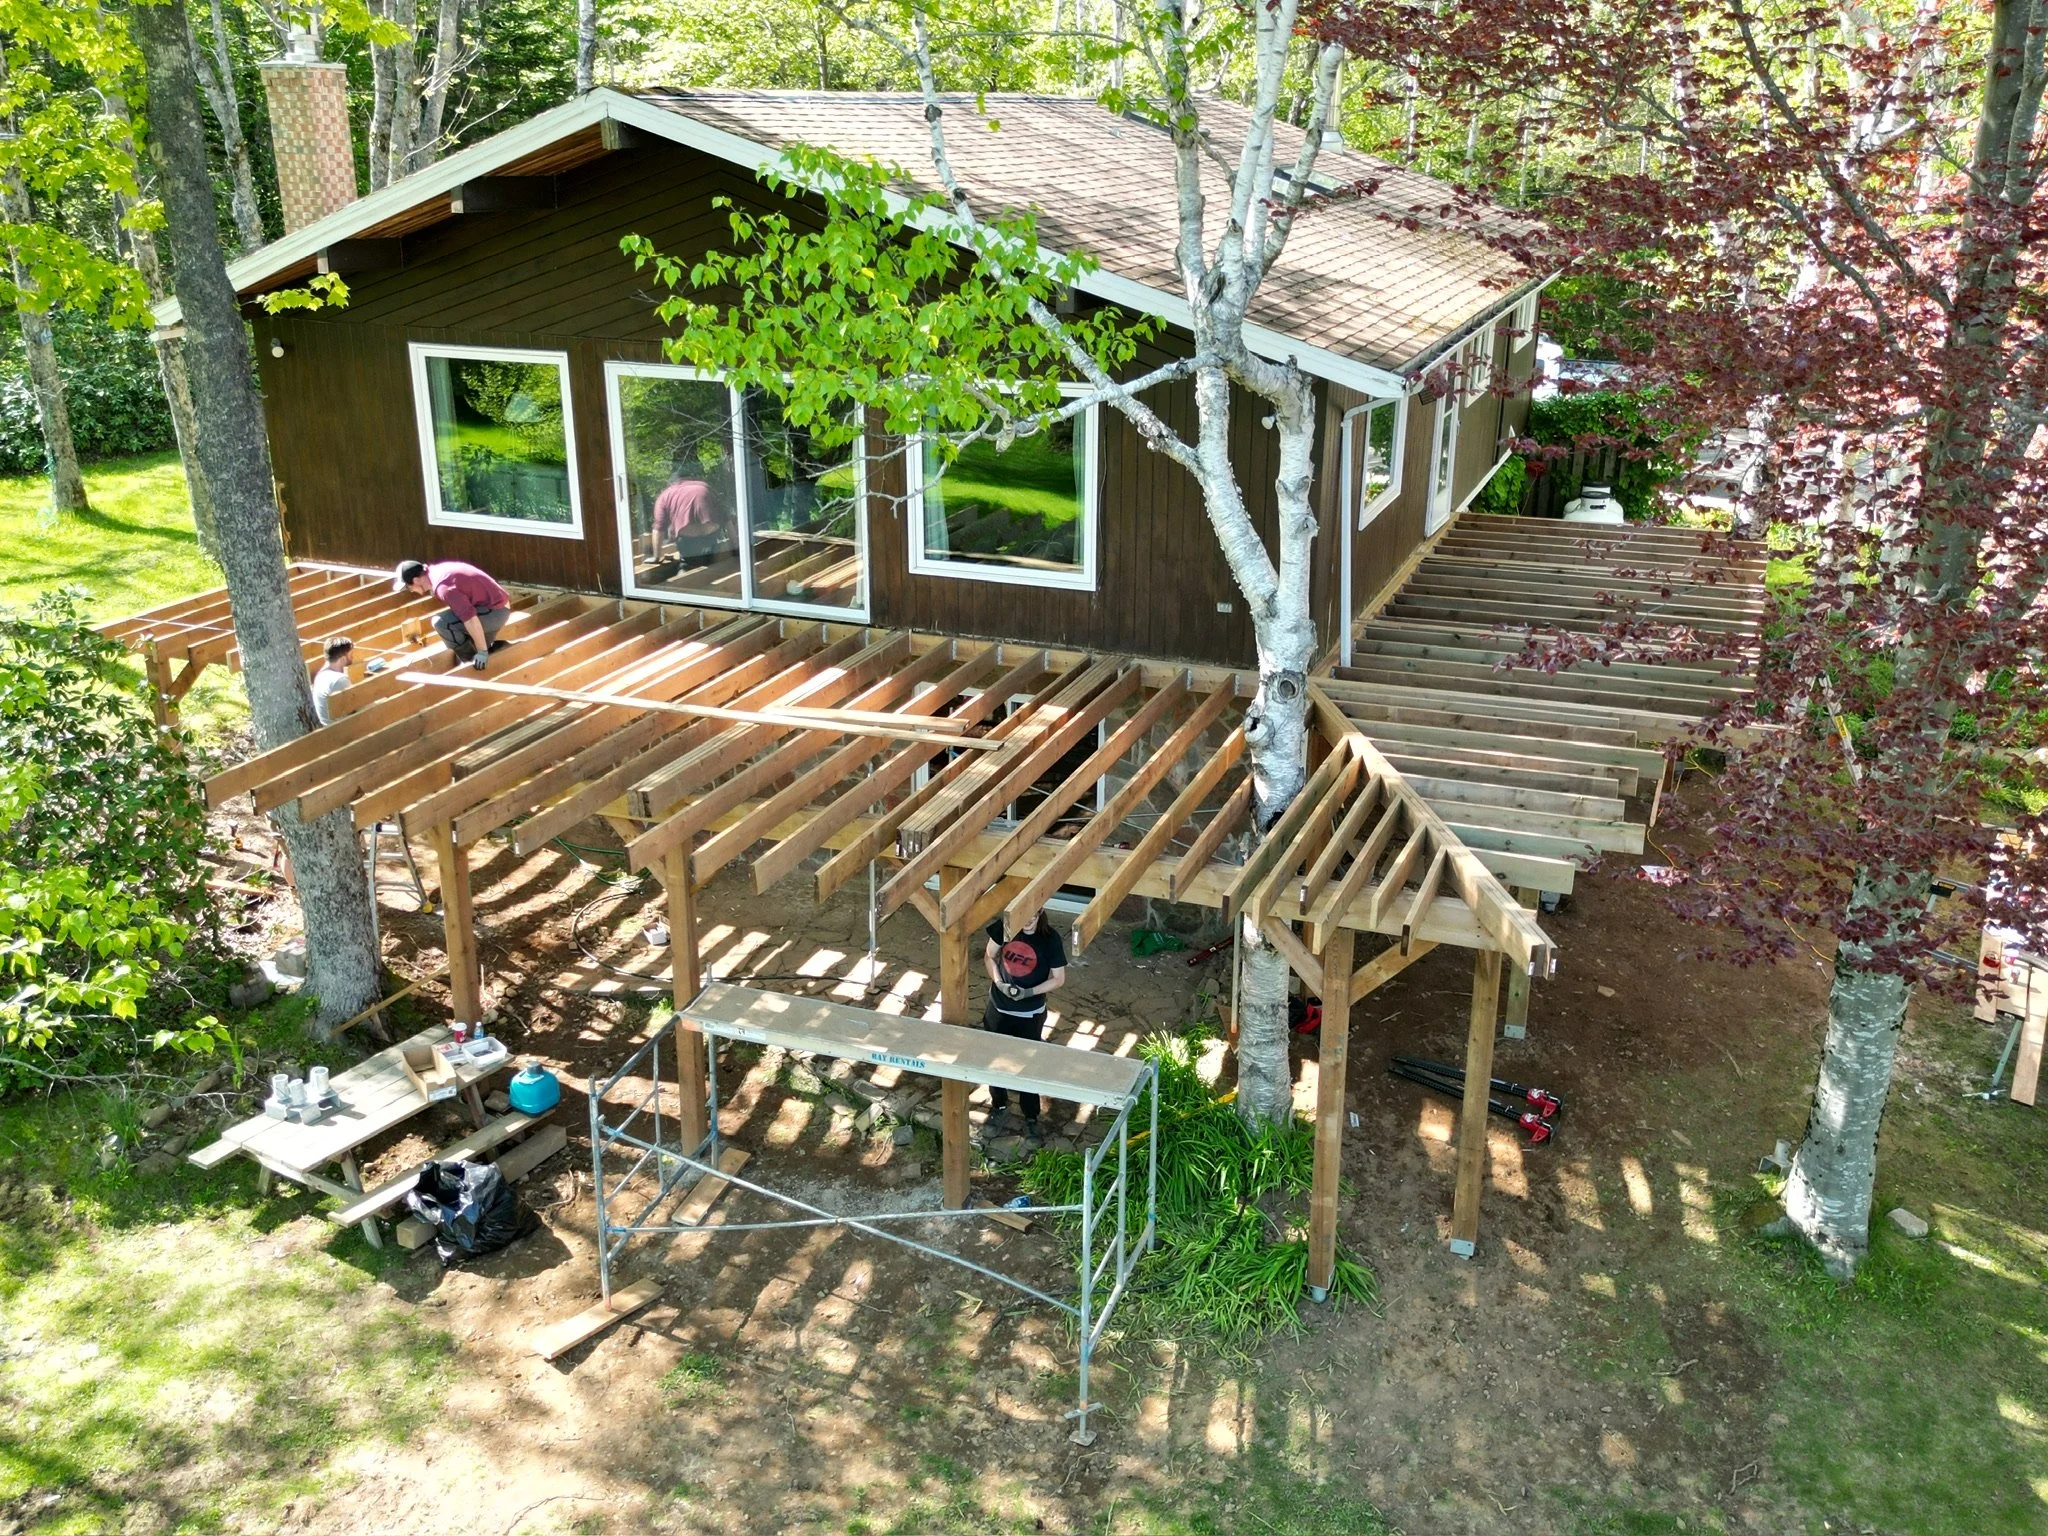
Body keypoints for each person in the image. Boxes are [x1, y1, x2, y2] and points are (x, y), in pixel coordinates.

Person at [980, 909, 1068, 1143]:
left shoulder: (1050, 939)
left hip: (1030, 1014)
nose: (1028, 921)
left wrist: (1029, 992)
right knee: (995, 1060)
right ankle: (998, 1106)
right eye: (1023, 916)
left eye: (1033, 916)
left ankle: (1031, 1117)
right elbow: (989, 956)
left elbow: (1058, 978)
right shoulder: (1004, 927)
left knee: (1028, 1065)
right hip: (998, 1008)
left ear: (1040, 914)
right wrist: (999, 984)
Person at [394, 559, 512, 668]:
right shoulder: (436, 571)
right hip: (492, 607)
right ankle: (496, 650)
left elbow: (470, 619)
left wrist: (482, 653)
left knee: (441, 623)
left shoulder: (443, 587)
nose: (411, 591)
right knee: (472, 640)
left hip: (495, 611)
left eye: (409, 587)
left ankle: (471, 662)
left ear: (415, 580)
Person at [311, 636, 353, 726]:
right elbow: (355, 706)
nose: (352, 656)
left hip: (330, 729)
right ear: (342, 659)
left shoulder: (320, 676)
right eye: (350, 654)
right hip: (342, 731)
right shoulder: (340, 680)